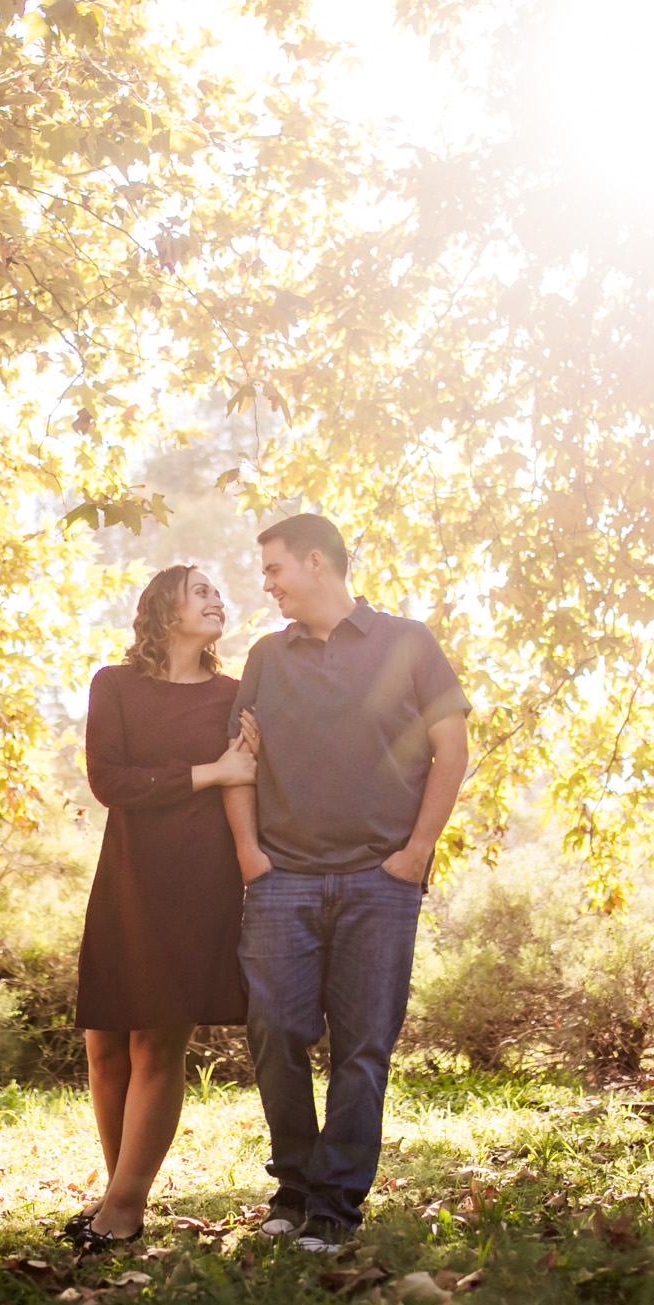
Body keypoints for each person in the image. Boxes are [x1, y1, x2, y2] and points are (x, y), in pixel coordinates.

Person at [224, 513, 470, 1254]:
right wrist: (249, 857)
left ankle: (335, 1204)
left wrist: (415, 853)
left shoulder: (409, 643)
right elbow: (239, 762)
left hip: (380, 880)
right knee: (274, 1034)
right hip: (281, 880)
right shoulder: (267, 656)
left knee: (364, 1045)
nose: (266, 584)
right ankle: (294, 1184)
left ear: (316, 563)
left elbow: (451, 749)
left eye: (274, 569)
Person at [67, 564, 258, 1251]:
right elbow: (109, 779)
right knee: (105, 1044)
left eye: (219, 589)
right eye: (202, 589)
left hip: (196, 878)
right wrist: (210, 772)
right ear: (163, 608)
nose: (218, 597)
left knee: (156, 1040)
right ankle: (120, 1197)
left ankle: (120, 1209)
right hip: (124, 878)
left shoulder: (237, 696)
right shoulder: (113, 685)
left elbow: (258, 775)